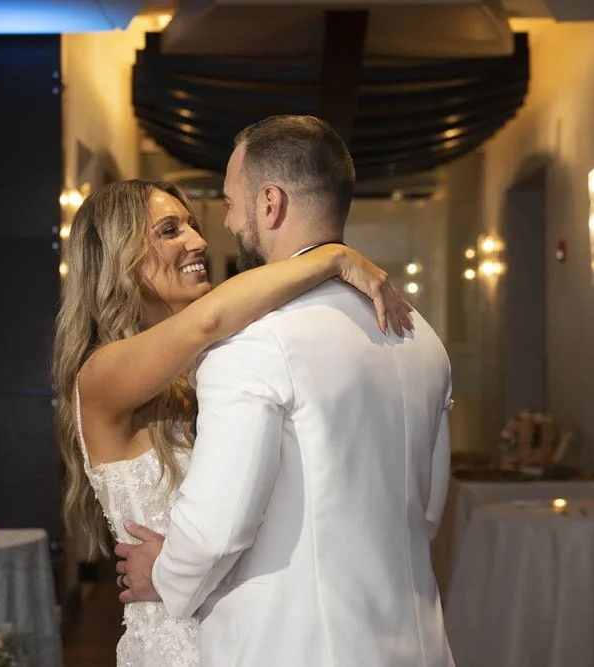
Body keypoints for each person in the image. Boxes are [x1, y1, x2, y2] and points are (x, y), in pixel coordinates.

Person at [115, 116, 456, 667]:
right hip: (417, 644)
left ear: (270, 204)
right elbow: (430, 510)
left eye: (231, 203)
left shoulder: (255, 342)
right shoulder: (422, 337)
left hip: (298, 646)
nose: (228, 223)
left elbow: (218, 527)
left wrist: (166, 572)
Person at [52, 177, 412, 666]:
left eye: (192, 226)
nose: (198, 241)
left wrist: (170, 567)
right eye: (170, 230)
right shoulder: (99, 375)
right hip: (175, 641)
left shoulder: (201, 366)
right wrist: (334, 257)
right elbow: (209, 319)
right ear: (118, 257)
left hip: (247, 632)